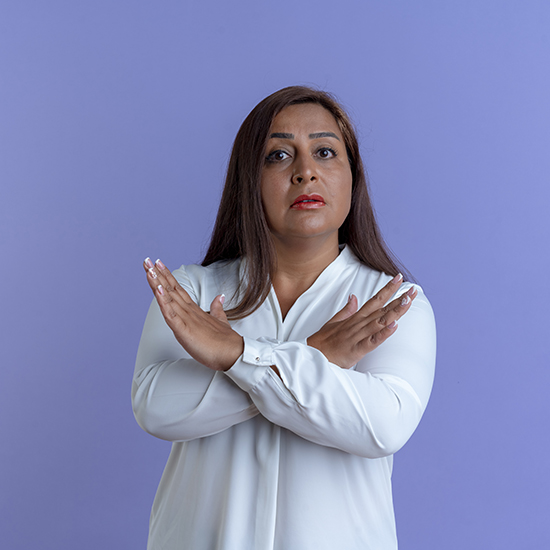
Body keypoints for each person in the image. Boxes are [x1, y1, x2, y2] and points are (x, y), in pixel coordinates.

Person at [132, 86, 436, 550]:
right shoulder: (190, 292)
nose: (305, 172)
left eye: (325, 151)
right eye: (278, 155)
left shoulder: (392, 302)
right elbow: (156, 407)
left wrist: (235, 354)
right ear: (248, 179)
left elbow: (381, 425)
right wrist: (314, 357)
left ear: (352, 176)